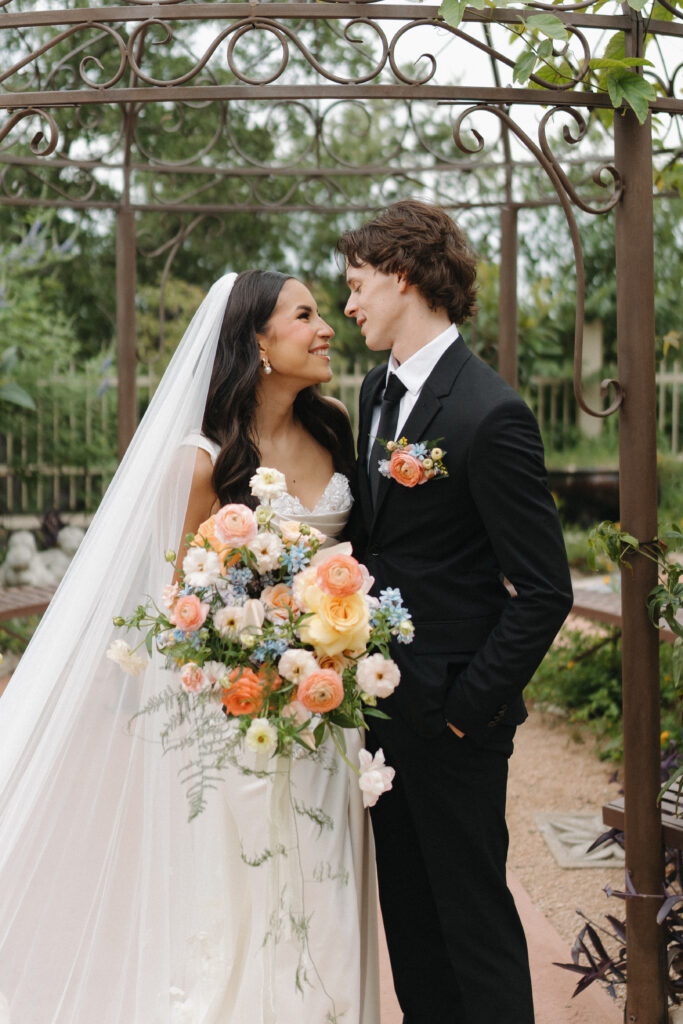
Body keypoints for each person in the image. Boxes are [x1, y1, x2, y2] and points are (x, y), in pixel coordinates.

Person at [0, 270, 379, 1024]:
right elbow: (177, 609)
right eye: (304, 315)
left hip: (330, 711)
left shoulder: (335, 424)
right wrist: (258, 658)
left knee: (330, 884)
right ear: (258, 343)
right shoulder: (201, 461)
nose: (326, 326)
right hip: (240, 718)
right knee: (248, 893)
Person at [338, 200, 573, 1024]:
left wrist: (465, 714)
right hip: (381, 713)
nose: (349, 305)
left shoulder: (489, 411)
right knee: (410, 924)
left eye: (359, 284)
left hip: (452, 723)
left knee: (473, 928)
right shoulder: (376, 392)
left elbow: (545, 590)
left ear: (403, 277)